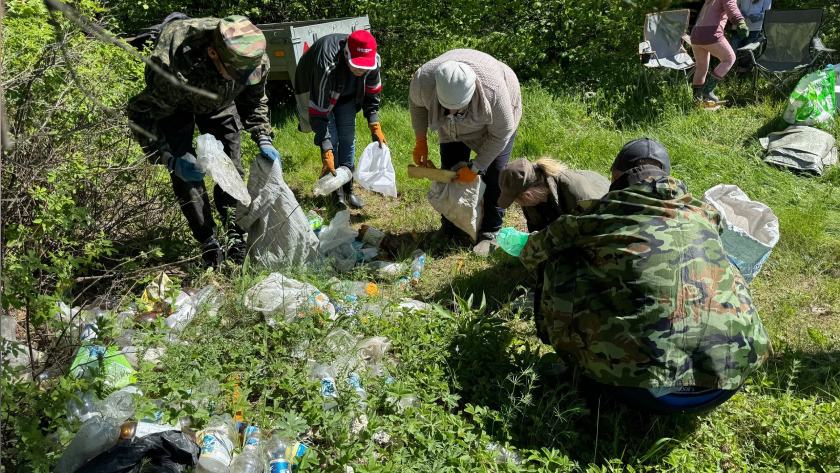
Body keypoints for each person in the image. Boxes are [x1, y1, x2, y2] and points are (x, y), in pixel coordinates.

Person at [519, 138, 771, 415]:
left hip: (641, 388)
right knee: (722, 264)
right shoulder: (705, 214)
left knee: (561, 258)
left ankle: (578, 368)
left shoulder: (594, 217)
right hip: (726, 381)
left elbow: (532, 252)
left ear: (614, 177)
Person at [128, 15, 279, 267]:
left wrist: (264, 137)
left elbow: (253, 101)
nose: (243, 79)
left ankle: (235, 236)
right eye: (236, 74)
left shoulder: (253, 58)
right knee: (186, 174)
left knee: (232, 169)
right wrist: (168, 158)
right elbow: (141, 113)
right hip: (174, 106)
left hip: (220, 104)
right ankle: (208, 241)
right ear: (212, 53)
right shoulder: (172, 65)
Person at [409, 50, 522, 256]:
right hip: (452, 130)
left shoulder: (493, 90)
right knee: (451, 169)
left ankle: (490, 231)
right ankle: (452, 224)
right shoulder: (424, 80)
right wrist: (421, 140)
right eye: (447, 108)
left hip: (494, 125)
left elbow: (501, 133)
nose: (452, 114)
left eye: (458, 108)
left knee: (495, 173)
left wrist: (477, 167)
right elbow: (416, 105)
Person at [498, 157, 610, 345]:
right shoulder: (536, 198)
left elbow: (599, 238)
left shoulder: (577, 194)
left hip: (603, 237)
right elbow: (542, 235)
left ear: (528, 194)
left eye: (517, 201)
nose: (518, 206)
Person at [294, 30, 385, 211]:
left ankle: (348, 189)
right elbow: (319, 111)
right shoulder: (327, 63)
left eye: (364, 68)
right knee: (332, 139)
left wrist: (374, 124)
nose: (361, 71)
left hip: (346, 95)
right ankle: (337, 194)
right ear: (345, 53)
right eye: (356, 66)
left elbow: (372, 93)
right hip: (318, 90)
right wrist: (326, 149)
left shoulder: (372, 61)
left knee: (347, 137)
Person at [690, 0, 749, 104]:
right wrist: (740, 22)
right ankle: (707, 90)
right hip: (711, 32)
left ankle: (697, 99)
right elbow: (731, 7)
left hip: (696, 33)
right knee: (729, 58)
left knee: (701, 66)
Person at [729, 0, 772, 72]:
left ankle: (742, 70)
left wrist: (759, 16)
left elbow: (767, 13)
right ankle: (728, 69)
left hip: (754, 29)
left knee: (747, 52)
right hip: (739, 27)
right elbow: (734, 6)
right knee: (732, 49)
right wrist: (739, 14)